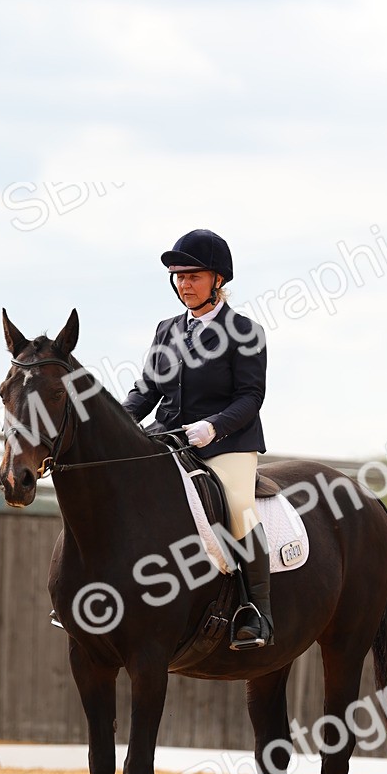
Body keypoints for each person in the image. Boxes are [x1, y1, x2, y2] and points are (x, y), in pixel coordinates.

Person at [122, 229, 273, 649]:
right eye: (178, 277)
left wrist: (215, 426)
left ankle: (255, 610)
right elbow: (149, 388)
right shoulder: (167, 329)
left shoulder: (245, 331)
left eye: (193, 276)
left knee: (239, 506)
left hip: (227, 443)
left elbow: (251, 397)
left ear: (218, 280)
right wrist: (119, 422)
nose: (184, 285)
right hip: (169, 436)